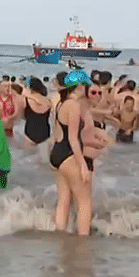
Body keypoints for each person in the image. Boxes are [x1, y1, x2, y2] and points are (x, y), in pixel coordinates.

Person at [49, 70, 95, 236]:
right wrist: (83, 165)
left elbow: (56, 133)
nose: (87, 88)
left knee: (64, 200)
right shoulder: (74, 106)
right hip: (69, 154)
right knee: (84, 201)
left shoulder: (61, 103)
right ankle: (83, 238)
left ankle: (60, 234)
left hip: (57, 153)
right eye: (85, 84)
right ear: (79, 86)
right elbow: (73, 138)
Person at [22, 77, 52, 145]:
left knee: (26, 155)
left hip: (29, 135)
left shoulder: (25, 100)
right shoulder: (48, 101)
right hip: (45, 135)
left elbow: (21, 116)